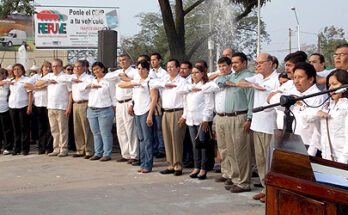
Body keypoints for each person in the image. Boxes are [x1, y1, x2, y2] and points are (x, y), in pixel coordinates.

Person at [236, 53, 280, 202]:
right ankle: (265, 187)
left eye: (261, 63)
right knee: (260, 161)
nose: (258, 66)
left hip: (270, 126)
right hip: (257, 124)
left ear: (271, 63)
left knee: (270, 161)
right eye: (257, 63)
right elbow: (240, 82)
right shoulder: (258, 77)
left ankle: (272, 191)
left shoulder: (277, 79)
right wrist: (251, 85)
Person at [150, 59, 189, 176]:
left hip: (177, 111)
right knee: (167, 139)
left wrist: (184, 115)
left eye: (172, 67)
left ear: (178, 68)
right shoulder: (165, 80)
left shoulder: (182, 81)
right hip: (166, 112)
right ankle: (170, 164)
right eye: (168, 67)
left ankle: (178, 165)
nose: (170, 69)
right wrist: (164, 85)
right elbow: (151, 83)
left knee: (176, 139)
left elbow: (186, 100)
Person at [119, 60, 159, 172]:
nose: (140, 71)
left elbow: (154, 99)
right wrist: (132, 83)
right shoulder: (137, 81)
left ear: (147, 70)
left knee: (147, 139)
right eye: (139, 69)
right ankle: (143, 163)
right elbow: (121, 85)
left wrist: (150, 115)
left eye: (143, 69)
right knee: (141, 139)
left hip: (146, 111)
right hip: (137, 111)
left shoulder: (150, 82)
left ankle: (148, 164)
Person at [104, 54, 139, 164]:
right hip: (119, 103)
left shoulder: (134, 72)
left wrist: (127, 79)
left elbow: (137, 86)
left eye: (124, 60)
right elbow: (106, 77)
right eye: (120, 61)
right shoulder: (118, 73)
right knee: (121, 130)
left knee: (131, 130)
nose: (122, 62)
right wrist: (120, 75)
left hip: (129, 102)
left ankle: (134, 155)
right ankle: (125, 153)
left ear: (130, 60)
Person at [181, 65, 214, 180]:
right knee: (195, 145)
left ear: (203, 74)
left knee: (203, 144)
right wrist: (184, 116)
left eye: (197, 72)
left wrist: (206, 119)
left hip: (201, 120)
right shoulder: (190, 87)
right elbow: (185, 103)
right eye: (193, 73)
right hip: (191, 120)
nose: (194, 75)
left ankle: (203, 168)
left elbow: (209, 105)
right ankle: (196, 166)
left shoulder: (206, 87)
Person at [35, 59, 73, 157]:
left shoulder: (65, 77)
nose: (55, 68)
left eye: (57, 66)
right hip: (51, 106)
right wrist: (47, 81)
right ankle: (56, 148)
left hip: (62, 106)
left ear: (61, 67)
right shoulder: (49, 76)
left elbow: (70, 92)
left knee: (63, 129)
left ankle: (63, 149)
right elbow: (37, 84)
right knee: (54, 129)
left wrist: (69, 107)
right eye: (53, 66)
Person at [315, 69, 348, 163]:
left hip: (342, 161)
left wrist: (342, 162)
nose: (331, 88)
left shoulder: (346, 106)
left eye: (334, 84)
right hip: (327, 157)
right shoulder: (327, 105)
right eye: (329, 85)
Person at [86, 62, 116, 161]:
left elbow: (113, 96)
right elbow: (81, 88)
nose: (96, 71)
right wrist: (89, 86)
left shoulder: (108, 81)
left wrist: (115, 109)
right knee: (96, 133)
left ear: (102, 69)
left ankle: (107, 153)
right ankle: (98, 152)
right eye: (94, 70)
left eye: (98, 69)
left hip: (105, 109)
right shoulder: (91, 81)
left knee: (105, 132)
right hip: (92, 109)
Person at [64, 60, 94, 159]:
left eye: (78, 67)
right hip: (75, 104)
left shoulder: (88, 78)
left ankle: (89, 150)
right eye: (75, 67)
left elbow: (87, 87)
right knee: (77, 128)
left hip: (84, 103)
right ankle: (80, 149)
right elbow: (61, 78)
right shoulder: (72, 78)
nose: (76, 69)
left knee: (86, 127)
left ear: (84, 68)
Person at [24, 61, 53, 154]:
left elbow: (39, 83)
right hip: (38, 105)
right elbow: (27, 85)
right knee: (41, 127)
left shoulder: (52, 76)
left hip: (49, 105)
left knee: (49, 128)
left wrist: (42, 83)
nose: (47, 69)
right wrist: (37, 87)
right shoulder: (36, 77)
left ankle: (49, 147)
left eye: (49, 67)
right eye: (46, 67)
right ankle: (41, 147)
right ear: (42, 68)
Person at [7, 64, 32, 155]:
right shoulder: (11, 80)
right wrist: (7, 83)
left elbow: (30, 93)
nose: (17, 71)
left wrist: (29, 106)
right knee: (15, 128)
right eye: (15, 69)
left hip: (23, 106)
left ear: (22, 70)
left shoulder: (26, 80)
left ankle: (25, 148)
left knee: (24, 128)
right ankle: (16, 148)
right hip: (12, 106)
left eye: (19, 69)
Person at [149, 53, 168, 158]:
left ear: (159, 60)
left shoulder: (164, 73)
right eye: (151, 60)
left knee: (159, 127)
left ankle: (162, 148)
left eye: (155, 60)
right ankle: (155, 147)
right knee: (152, 127)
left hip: (159, 101)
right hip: (149, 101)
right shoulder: (149, 72)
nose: (153, 62)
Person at [178, 61, 194, 168]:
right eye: (181, 68)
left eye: (185, 69)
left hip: (188, 112)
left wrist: (185, 115)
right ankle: (185, 158)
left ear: (190, 70)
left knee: (189, 138)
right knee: (183, 138)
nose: (182, 71)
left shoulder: (191, 81)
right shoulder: (179, 80)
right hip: (180, 111)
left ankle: (190, 159)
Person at [0, 68, 13, 155]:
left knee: (6, 129)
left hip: (5, 109)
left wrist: (6, 82)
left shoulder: (8, 82)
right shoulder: (4, 82)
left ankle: (8, 146)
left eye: (2, 74)